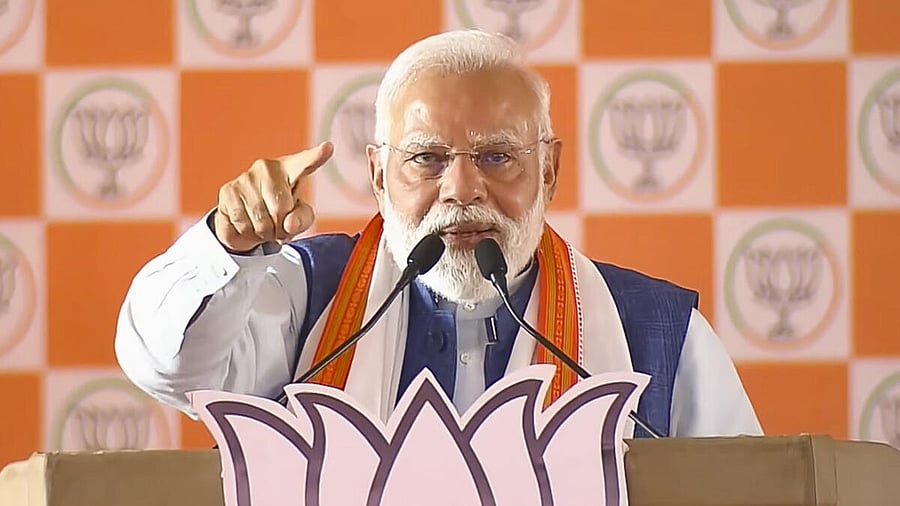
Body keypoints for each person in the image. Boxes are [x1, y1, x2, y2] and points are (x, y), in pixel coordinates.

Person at [115, 29, 762, 438]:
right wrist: (229, 243)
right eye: (426, 158)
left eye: (496, 156)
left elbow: (749, 489)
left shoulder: (659, 333)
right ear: (377, 174)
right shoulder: (308, 293)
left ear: (551, 169)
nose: (460, 189)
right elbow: (171, 368)